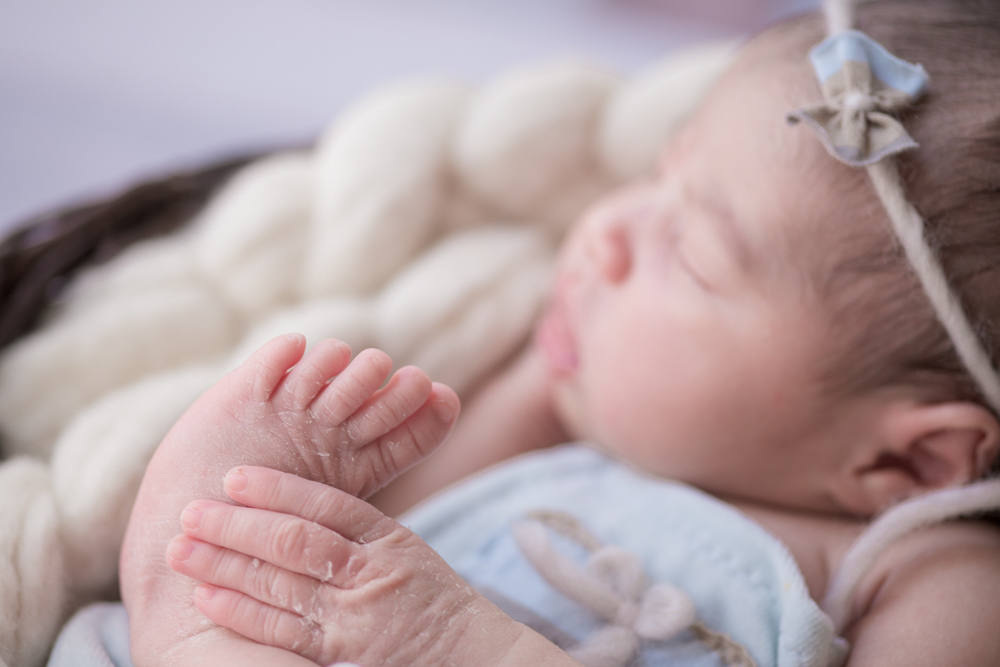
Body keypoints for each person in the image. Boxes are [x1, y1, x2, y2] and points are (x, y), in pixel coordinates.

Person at [113, 1, 1000, 665]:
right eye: (661, 175)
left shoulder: (934, 583)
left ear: (910, 464)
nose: (609, 225)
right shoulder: (560, 418)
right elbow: (390, 522)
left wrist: (467, 646)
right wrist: (279, 466)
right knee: (220, 531)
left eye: (689, 252)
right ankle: (183, 570)